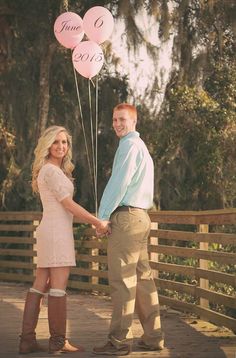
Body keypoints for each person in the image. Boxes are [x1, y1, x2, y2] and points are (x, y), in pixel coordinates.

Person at [19, 125, 110, 355]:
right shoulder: (50, 171)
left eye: (64, 142)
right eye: (56, 142)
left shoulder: (52, 171)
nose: (61, 146)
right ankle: (58, 342)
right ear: (47, 146)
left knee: (40, 285)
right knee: (58, 287)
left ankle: (27, 340)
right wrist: (96, 221)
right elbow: (68, 205)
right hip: (57, 233)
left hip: (51, 230)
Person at [93, 104, 164, 356]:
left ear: (134, 121)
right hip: (141, 217)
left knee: (122, 281)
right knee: (143, 280)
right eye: (114, 119)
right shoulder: (141, 147)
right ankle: (154, 337)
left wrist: (102, 217)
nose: (117, 124)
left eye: (122, 119)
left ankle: (118, 342)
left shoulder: (129, 146)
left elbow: (118, 183)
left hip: (127, 218)